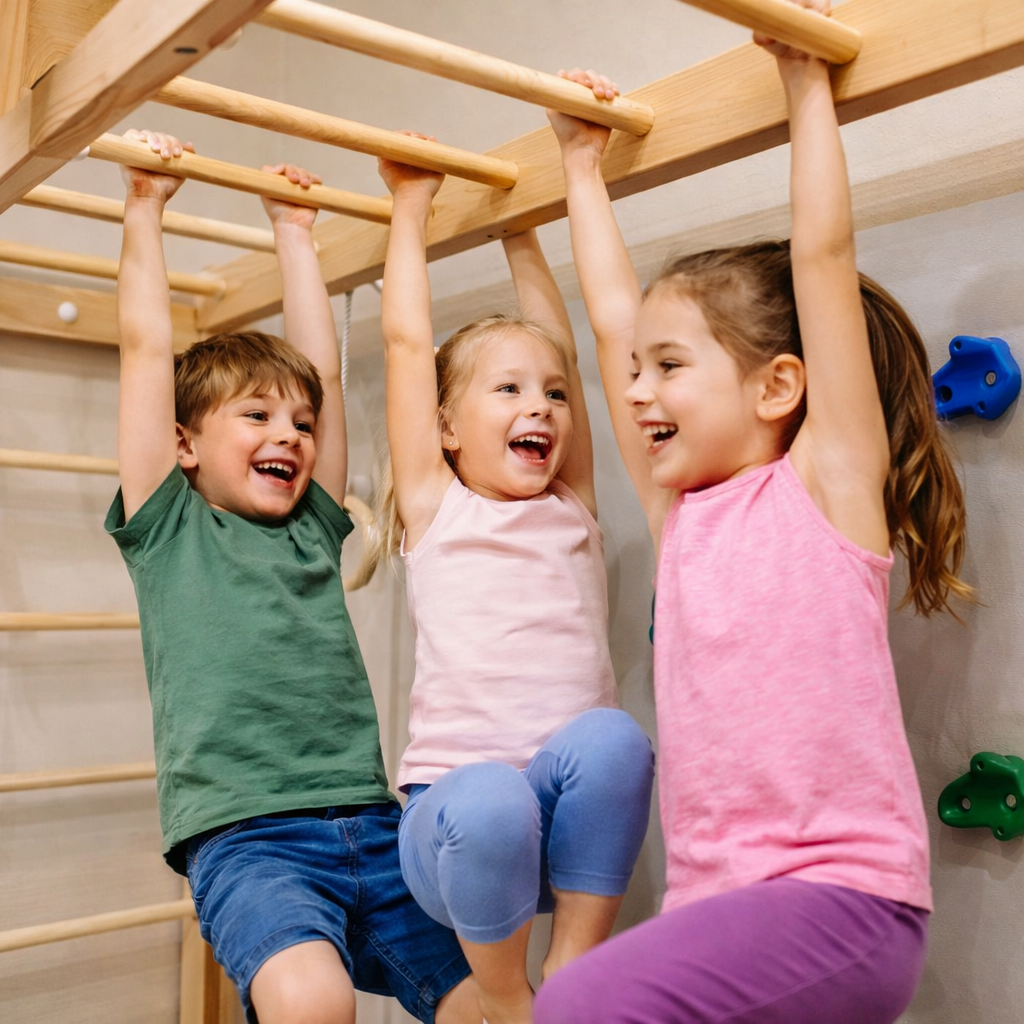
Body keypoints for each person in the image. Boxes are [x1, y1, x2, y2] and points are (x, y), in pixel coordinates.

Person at [536, 3, 973, 1021]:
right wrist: (580, 170)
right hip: (721, 909)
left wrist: (803, 87)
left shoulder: (825, 486)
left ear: (779, 388)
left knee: (573, 1007)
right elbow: (609, 321)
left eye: (671, 367)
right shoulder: (681, 508)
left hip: (841, 900)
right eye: (636, 375)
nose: (636, 392)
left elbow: (822, 258)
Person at [106, 129, 480, 1024]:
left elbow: (327, 372)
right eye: (257, 416)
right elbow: (144, 351)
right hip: (247, 839)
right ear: (186, 445)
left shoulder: (313, 522)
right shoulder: (171, 525)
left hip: (373, 823)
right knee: (312, 1003)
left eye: (301, 425)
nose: (290, 435)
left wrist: (295, 232)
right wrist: (145, 206)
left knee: (491, 1003)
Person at [373, 127, 655, 1024]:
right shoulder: (437, 503)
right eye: (506, 392)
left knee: (617, 738)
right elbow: (406, 346)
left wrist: (523, 231)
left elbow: (564, 350)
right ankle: (505, 1001)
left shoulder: (571, 502)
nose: (539, 405)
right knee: (492, 791)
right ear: (446, 428)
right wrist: (408, 207)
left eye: (552, 397)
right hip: (454, 833)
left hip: (563, 833)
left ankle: (574, 971)